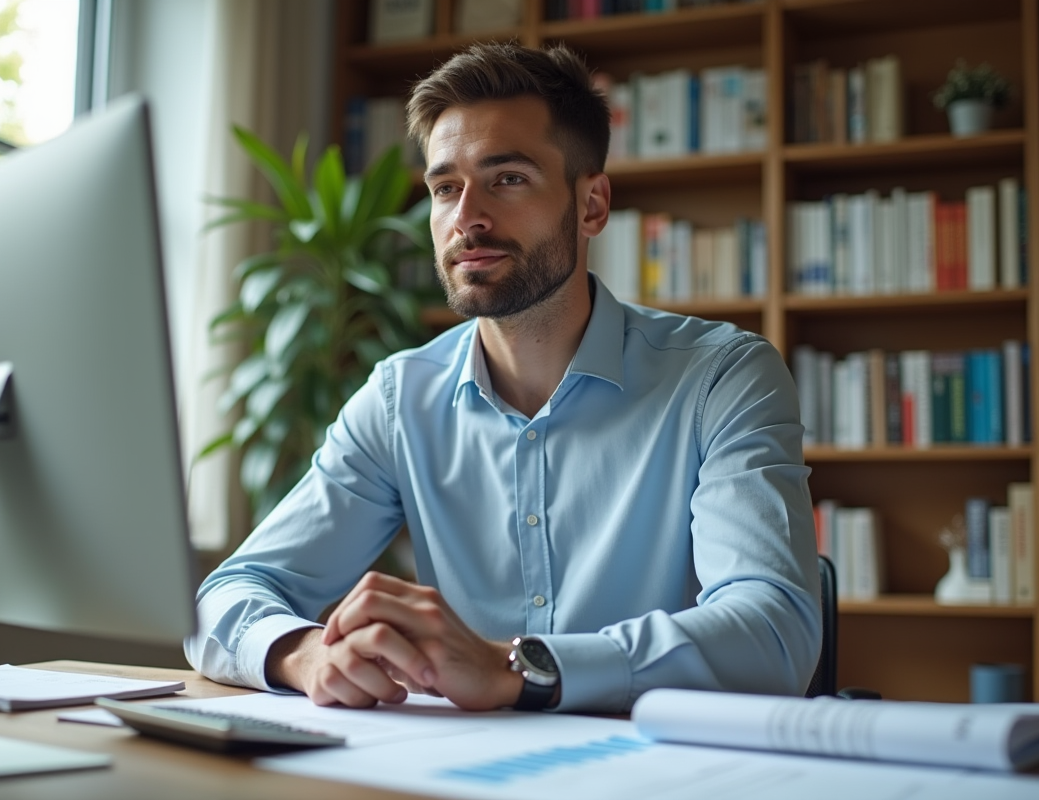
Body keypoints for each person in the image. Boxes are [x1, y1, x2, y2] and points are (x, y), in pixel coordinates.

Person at [186, 42, 821, 714]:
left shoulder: (722, 377)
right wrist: (305, 654)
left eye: (508, 178)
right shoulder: (401, 400)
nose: (467, 217)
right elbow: (225, 598)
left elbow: (775, 633)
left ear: (592, 205)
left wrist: (518, 668)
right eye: (445, 188)